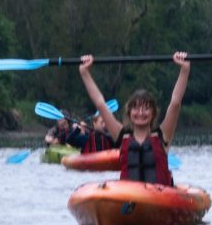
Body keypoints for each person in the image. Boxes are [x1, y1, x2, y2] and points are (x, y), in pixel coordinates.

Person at [79, 52, 191, 186]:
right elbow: (100, 103)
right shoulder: (122, 135)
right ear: (129, 112)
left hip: (159, 199)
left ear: (153, 113)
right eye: (136, 108)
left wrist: (184, 69)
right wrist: (85, 72)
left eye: (146, 108)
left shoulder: (163, 135)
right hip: (130, 200)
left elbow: (175, 102)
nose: (141, 113)